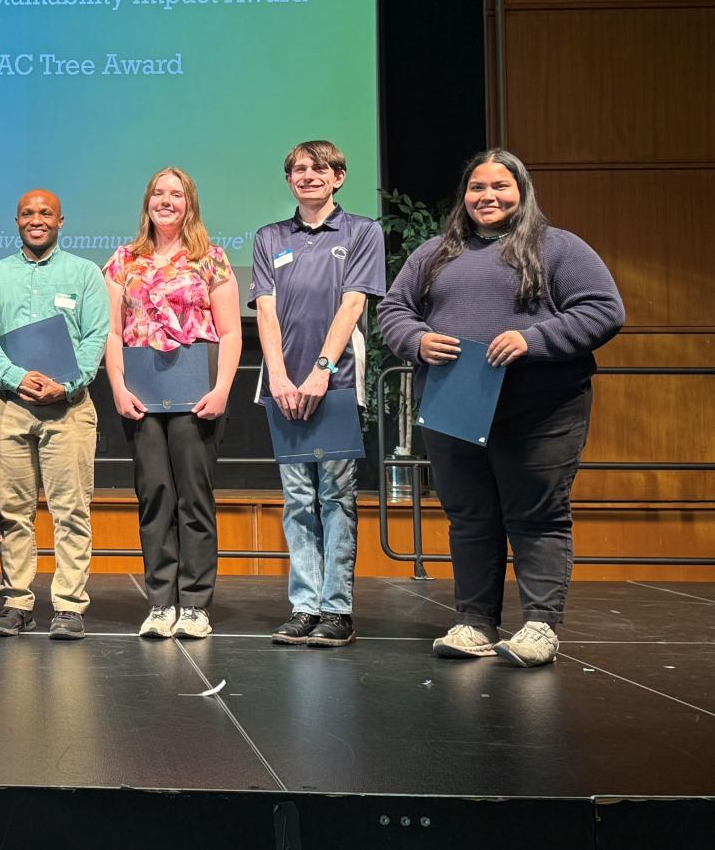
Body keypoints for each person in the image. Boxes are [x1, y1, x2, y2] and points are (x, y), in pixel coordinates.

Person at [379, 149, 624, 667]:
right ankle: (474, 622)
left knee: (536, 514)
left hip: (540, 407)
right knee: (470, 517)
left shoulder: (558, 248)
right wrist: (417, 341)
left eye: (500, 187)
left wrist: (534, 339)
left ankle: (539, 625)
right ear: (463, 195)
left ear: (521, 191)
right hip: (455, 404)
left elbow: (604, 310)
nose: (487, 197)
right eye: (477, 188)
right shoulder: (435, 253)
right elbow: (394, 309)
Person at [250, 142, 386, 649]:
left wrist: (321, 372)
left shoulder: (361, 233)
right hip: (282, 386)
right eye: (298, 170)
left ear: (339, 177)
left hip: (338, 384)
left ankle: (337, 609)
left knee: (335, 497)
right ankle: (304, 606)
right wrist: (281, 377)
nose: (307, 176)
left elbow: (354, 304)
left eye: (318, 169)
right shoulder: (270, 237)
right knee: (297, 499)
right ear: (289, 180)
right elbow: (265, 310)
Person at [104, 167, 241, 639]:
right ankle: (161, 603)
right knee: (155, 495)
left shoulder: (211, 258)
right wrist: (118, 387)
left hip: (196, 393)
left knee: (193, 498)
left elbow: (229, 331)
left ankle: (196, 604)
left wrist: (222, 388)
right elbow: (112, 331)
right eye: (158, 193)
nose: (166, 200)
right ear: (147, 202)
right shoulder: (124, 260)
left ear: (189, 203)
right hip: (141, 395)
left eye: (176, 194)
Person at [0, 189, 109, 640]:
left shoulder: (85, 273)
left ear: (61, 220)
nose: (37, 219)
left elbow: (96, 338)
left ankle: (69, 605)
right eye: (29, 213)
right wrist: (15, 377)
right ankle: (17, 602)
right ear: (16, 221)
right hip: (10, 407)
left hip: (69, 409)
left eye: (46, 213)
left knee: (71, 509)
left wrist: (66, 384)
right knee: (12, 511)